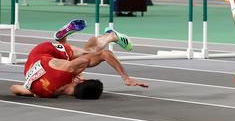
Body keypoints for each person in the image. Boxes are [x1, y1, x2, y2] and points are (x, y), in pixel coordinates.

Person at [10, 19, 147, 98]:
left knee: (88, 52)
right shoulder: (42, 93)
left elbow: (105, 54)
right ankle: (63, 38)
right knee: (82, 54)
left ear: (81, 81)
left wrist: (126, 78)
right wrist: (30, 84)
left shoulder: (71, 68)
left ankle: (111, 36)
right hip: (35, 62)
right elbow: (14, 88)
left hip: (43, 51)